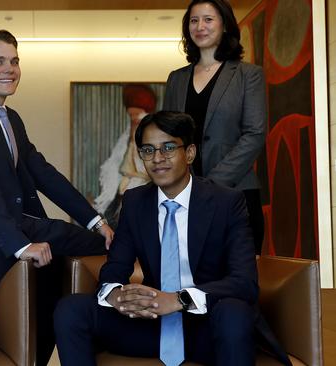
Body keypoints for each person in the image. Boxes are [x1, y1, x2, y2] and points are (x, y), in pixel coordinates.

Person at [54, 111, 290, 366]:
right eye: (148, 150)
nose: (157, 159)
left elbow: (244, 283)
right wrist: (118, 296)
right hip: (150, 326)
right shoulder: (135, 203)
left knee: (235, 313)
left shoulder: (226, 202)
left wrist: (178, 300)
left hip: (208, 327)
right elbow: (114, 270)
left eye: (168, 148)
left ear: (189, 153)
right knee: (71, 309)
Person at [0, 30, 113, 366]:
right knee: (85, 245)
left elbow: (44, 174)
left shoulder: (9, 118)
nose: (10, 68)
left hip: (14, 230)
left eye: (14, 61)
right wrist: (20, 246)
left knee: (86, 246)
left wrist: (95, 218)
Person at [163, 0, 266, 254]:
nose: (200, 26)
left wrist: (210, 184)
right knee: (190, 277)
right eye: (194, 20)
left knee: (238, 279)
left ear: (225, 26)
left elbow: (254, 134)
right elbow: (167, 136)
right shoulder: (176, 79)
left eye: (208, 19)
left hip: (235, 193)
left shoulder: (247, 75)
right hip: (184, 198)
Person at [95, 84, 155, 228]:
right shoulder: (128, 136)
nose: (134, 119)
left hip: (144, 184)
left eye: (137, 115)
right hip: (126, 184)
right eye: (131, 115)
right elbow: (118, 162)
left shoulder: (151, 134)